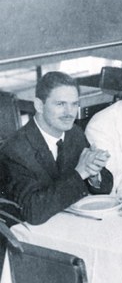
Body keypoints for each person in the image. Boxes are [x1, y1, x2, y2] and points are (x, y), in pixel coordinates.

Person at [0, 72, 113, 225]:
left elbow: (106, 187)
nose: (69, 113)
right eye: (60, 104)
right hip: (29, 234)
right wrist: (80, 173)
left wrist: (94, 173)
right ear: (39, 105)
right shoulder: (15, 149)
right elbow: (33, 211)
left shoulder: (74, 134)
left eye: (74, 104)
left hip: (69, 225)